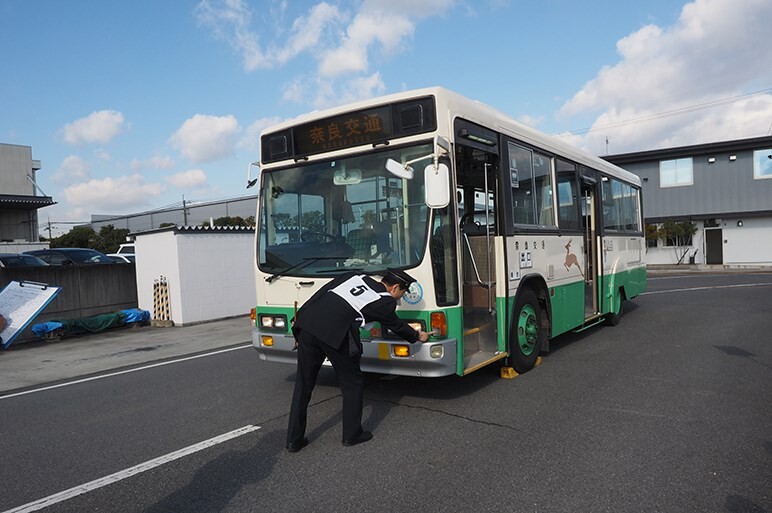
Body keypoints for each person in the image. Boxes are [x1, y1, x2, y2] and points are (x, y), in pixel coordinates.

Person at [286, 268, 430, 452]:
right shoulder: (385, 301)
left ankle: (294, 440)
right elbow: (396, 325)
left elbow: (321, 293)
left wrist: (297, 320)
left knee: (304, 384)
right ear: (395, 287)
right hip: (337, 334)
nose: (399, 299)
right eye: (401, 293)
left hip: (308, 325)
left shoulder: (354, 276)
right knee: (352, 382)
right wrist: (418, 336)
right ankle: (352, 434)